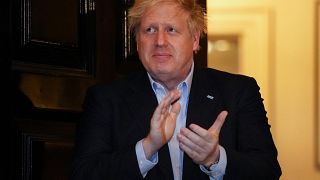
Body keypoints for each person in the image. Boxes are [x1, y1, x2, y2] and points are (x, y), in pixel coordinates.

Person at [71, 0, 282, 179]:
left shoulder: (239, 91)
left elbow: (268, 171)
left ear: (195, 39)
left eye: (171, 30)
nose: (160, 41)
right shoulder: (105, 98)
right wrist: (147, 148)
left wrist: (215, 159)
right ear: (137, 42)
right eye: (149, 30)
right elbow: (83, 174)